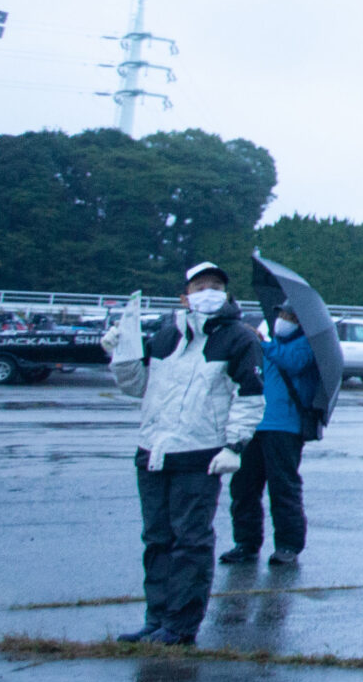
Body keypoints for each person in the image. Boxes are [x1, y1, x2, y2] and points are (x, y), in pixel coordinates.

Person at [102, 262, 265, 644]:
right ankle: (156, 618)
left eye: (216, 286)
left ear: (226, 294)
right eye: (200, 286)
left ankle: (181, 624)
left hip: (200, 453)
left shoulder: (240, 339)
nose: (209, 292)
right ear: (184, 297)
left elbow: (250, 397)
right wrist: (122, 355)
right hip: (154, 451)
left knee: (191, 541)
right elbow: (137, 387)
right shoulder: (165, 335)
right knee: (156, 539)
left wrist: (235, 445)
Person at [224, 307, 315, 565]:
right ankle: (246, 542)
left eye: (291, 317)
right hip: (255, 423)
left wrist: (262, 343)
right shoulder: (272, 344)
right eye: (282, 316)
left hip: (285, 427)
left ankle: (288, 545)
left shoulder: (306, 345)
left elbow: (293, 362)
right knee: (243, 486)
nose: (283, 321)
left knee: (283, 487)